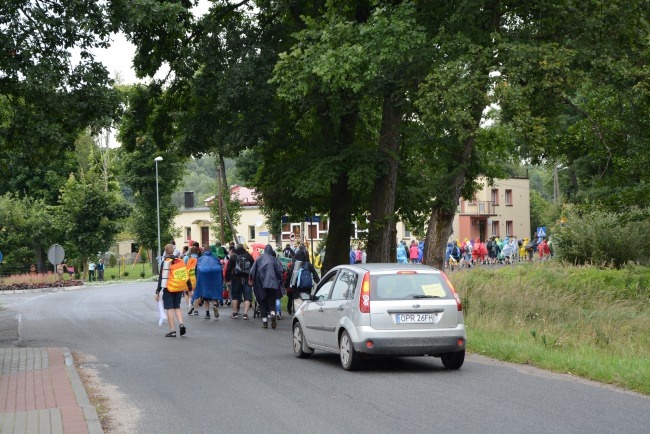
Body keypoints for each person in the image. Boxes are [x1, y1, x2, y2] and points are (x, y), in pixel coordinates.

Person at [155, 244, 191, 337]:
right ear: (173, 251)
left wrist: (157, 292)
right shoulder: (180, 261)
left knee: (169, 308)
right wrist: (189, 288)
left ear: (165, 251)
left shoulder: (165, 262)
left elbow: (161, 278)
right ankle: (181, 323)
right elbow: (186, 276)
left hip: (169, 288)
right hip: (179, 287)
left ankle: (172, 330)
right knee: (177, 307)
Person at [249, 244, 284, 329]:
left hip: (260, 284)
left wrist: (251, 280)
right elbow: (281, 271)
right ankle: (272, 313)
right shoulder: (274, 259)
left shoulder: (259, 259)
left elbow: (252, 271)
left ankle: (265, 322)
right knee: (272, 302)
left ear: (264, 250)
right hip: (272, 284)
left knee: (262, 303)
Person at [193, 247, 223, 319]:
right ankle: (215, 305)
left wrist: (197, 279)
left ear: (204, 251)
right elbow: (220, 268)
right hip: (214, 279)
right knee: (213, 294)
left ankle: (207, 314)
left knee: (206, 296)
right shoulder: (215, 258)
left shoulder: (201, 259)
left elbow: (196, 270)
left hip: (204, 279)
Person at [226, 244, 254, 320]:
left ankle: (235, 313)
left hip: (236, 278)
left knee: (235, 295)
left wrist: (228, 279)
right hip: (247, 278)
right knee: (247, 297)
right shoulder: (249, 256)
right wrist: (252, 279)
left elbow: (228, 269)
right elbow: (253, 268)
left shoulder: (233, 256)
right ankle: (245, 314)